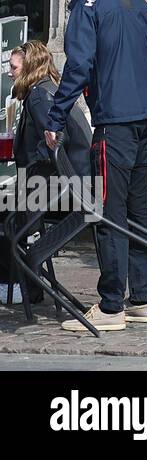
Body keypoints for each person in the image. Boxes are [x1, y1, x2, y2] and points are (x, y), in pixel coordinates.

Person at [43, 0, 147, 333]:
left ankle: (112, 305)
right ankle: (143, 300)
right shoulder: (139, 4)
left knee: (108, 212)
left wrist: (55, 118)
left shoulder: (86, 6)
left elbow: (78, 66)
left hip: (114, 121)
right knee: (139, 208)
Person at [1, 40, 92, 304]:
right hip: (61, 181)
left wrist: (28, 181)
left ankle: (19, 286)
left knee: (6, 214)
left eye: (14, 67)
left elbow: (53, 143)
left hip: (58, 184)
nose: (9, 72)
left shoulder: (40, 95)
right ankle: (24, 285)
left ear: (29, 67)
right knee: (11, 210)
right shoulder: (47, 90)